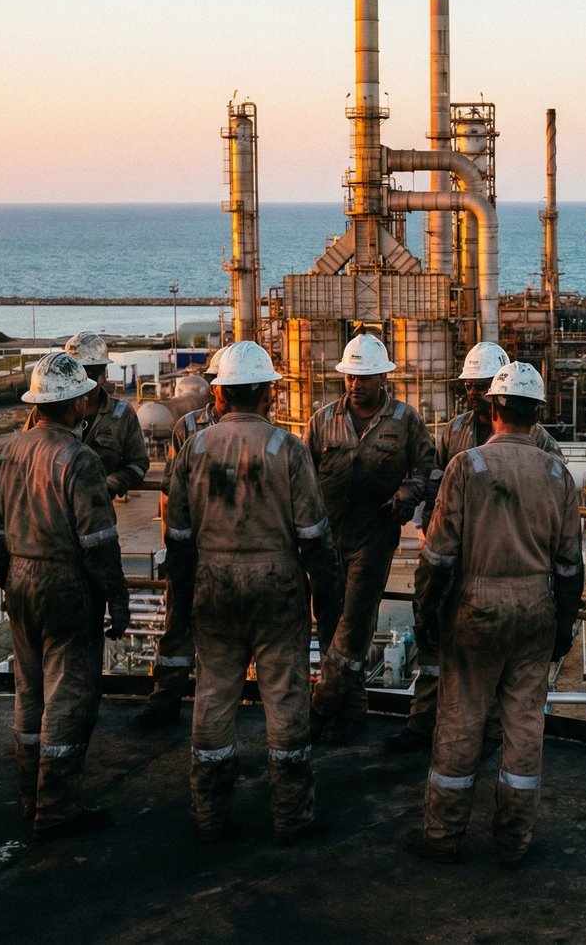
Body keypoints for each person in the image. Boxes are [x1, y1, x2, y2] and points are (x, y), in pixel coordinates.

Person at [400, 362, 582, 867]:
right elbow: (570, 565)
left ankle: (444, 834)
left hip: (476, 610)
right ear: (539, 414)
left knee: (461, 722)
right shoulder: (558, 474)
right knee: (524, 728)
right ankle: (515, 838)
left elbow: (438, 557)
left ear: (494, 407)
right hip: (535, 611)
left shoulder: (468, 467)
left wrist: (427, 613)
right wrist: (563, 623)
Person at [164, 342, 338, 844]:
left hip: (214, 585)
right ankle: (291, 815)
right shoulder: (288, 449)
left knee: (214, 696)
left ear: (220, 394)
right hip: (276, 587)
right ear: (268, 393)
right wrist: (326, 597)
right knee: (285, 698)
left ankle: (209, 813)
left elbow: (178, 537)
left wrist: (187, 595)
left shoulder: (195, 448)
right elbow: (314, 537)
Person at [384, 341, 564, 756]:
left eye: (480, 386)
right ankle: (423, 722)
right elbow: (436, 482)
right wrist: (428, 530)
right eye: (468, 386)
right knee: (433, 640)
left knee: (491, 655)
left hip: (502, 561)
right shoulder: (455, 430)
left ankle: (488, 735)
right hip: (454, 558)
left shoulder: (540, 443)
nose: (472, 393)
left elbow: (553, 508)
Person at [0, 352, 130, 841]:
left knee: (28, 691)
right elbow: (98, 542)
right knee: (69, 694)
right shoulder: (80, 459)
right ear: (77, 403)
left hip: (20, 580)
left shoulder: (9, 452)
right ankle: (56, 806)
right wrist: (117, 600)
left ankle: (29, 794)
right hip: (65, 584)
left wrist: (8, 580)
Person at [304, 332, 434, 745]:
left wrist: (407, 494)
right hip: (326, 541)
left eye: (364, 377)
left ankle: (319, 709)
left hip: (373, 538)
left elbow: (427, 469)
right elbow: (303, 477)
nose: (355, 384)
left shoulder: (405, 420)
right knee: (330, 625)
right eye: (350, 376)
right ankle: (353, 713)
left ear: (382, 378)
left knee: (356, 622)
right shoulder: (322, 420)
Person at [133, 345, 229, 731]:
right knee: (178, 627)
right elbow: (171, 491)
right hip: (191, 547)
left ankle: (222, 706)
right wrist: (171, 546)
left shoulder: (261, 431)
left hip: (234, 550)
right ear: (212, 386)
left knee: (227, 632)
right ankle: (165, 699)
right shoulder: (188, 427)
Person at [53, 331, 149, 500]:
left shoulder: (122, 415)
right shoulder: (49, 411)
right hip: (54, 507)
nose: (77, 386)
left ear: (101, 377)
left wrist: (112, 483)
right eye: (72, 377)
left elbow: (138, 465)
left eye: (84, 378)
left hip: (96, 508)